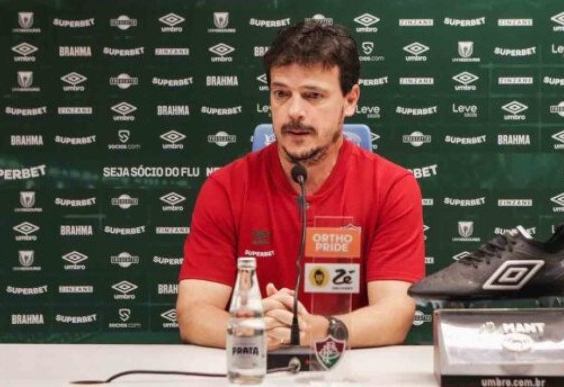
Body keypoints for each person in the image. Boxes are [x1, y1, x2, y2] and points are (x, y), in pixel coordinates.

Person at [177, 21, 425, 350]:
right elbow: (193, 313)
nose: (294, 111)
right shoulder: (225, 186)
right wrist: (255, 328)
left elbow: (395, 315)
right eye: (281, 94)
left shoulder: (392, 187)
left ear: (350, 100)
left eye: (312, 96)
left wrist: (313, 330)